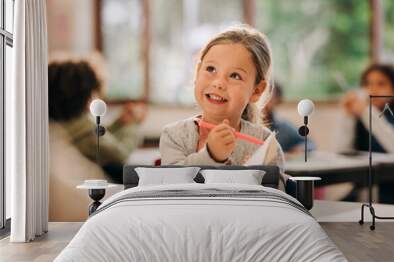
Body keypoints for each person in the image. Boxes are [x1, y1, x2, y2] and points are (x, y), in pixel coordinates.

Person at [159, 25, 285, 177]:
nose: (218, 83)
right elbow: (172, 186)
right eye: (211, 69)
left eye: (235, 76)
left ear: (256, 90)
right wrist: (211, 156)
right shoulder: (175, 135)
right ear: (197, 72)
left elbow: (276, 194)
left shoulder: (264, 144)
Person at [48, 58, 146, 183]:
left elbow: (101, 134)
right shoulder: (86, 133)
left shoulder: (61, 125)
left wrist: (120, 122)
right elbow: (120, 153)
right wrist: (133, 123)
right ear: (87, 94)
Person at [336, 63, 394, 203]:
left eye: (381, 84)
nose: (373, 89)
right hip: (364, 192)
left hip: (393, 194)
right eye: (368, 84)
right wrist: (347, 116)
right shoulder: (362, 118)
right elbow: (341, 152)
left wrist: (366, 112)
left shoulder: (391, 116)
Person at [263, 82, 316, 154]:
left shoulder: (284, 128)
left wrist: (299, 150)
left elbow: (310, 144)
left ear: (277, 101)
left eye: (270, 98)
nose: (265, 102)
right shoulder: (246, 124)